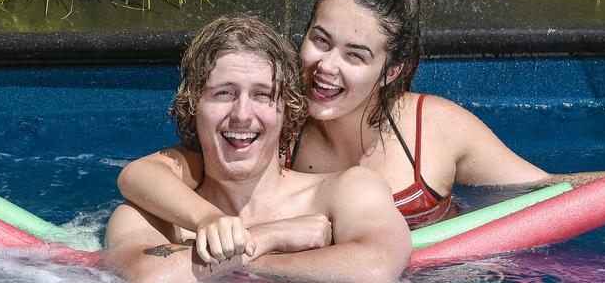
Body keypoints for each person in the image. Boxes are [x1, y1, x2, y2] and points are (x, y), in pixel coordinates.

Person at [117, 0, 605, 265]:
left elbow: (545, 194)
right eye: (319, 40)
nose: (326, 67)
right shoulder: (275, 125)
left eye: (355, 56)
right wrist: (209, 220)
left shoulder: (432, 129)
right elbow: (143, 174)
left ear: (391, 71)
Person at [105, 16, 411, 282]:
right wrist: (265, 237)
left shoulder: (343, 192)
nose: (241, 114)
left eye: (262, 94)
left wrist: (241, 261)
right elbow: (148, 277)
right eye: (224, 92)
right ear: (193, 105)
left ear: (287, 110)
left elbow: (376, 268)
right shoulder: (153, 218)